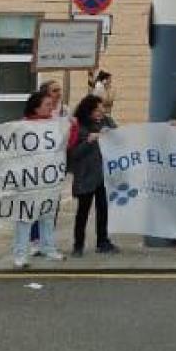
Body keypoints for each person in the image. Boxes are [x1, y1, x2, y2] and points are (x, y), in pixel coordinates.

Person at [13, 91, 65, 269]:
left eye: (52, 104)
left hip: (49, 177)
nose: (52, 108)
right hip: (28, 179)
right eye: (48, 105)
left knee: (48, 214)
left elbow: (66, 144)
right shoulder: (22, 125)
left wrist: (71, 127)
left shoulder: (55, 124)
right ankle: (21, 253)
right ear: (36, 106)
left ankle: (48, 247)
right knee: (25, 216)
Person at [68, 94, 118, 258]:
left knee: (103, 210)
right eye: (96, 109)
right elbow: (73, 154)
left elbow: (120, 140)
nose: (100, 112)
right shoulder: (79, 126)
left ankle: (103, 241)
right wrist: (88, 141)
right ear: (88, 111)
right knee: (83, 211)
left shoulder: (108, 122)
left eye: (101, 108)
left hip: (104, 175)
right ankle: (78, 244)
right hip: (86, 175)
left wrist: (111, 133)